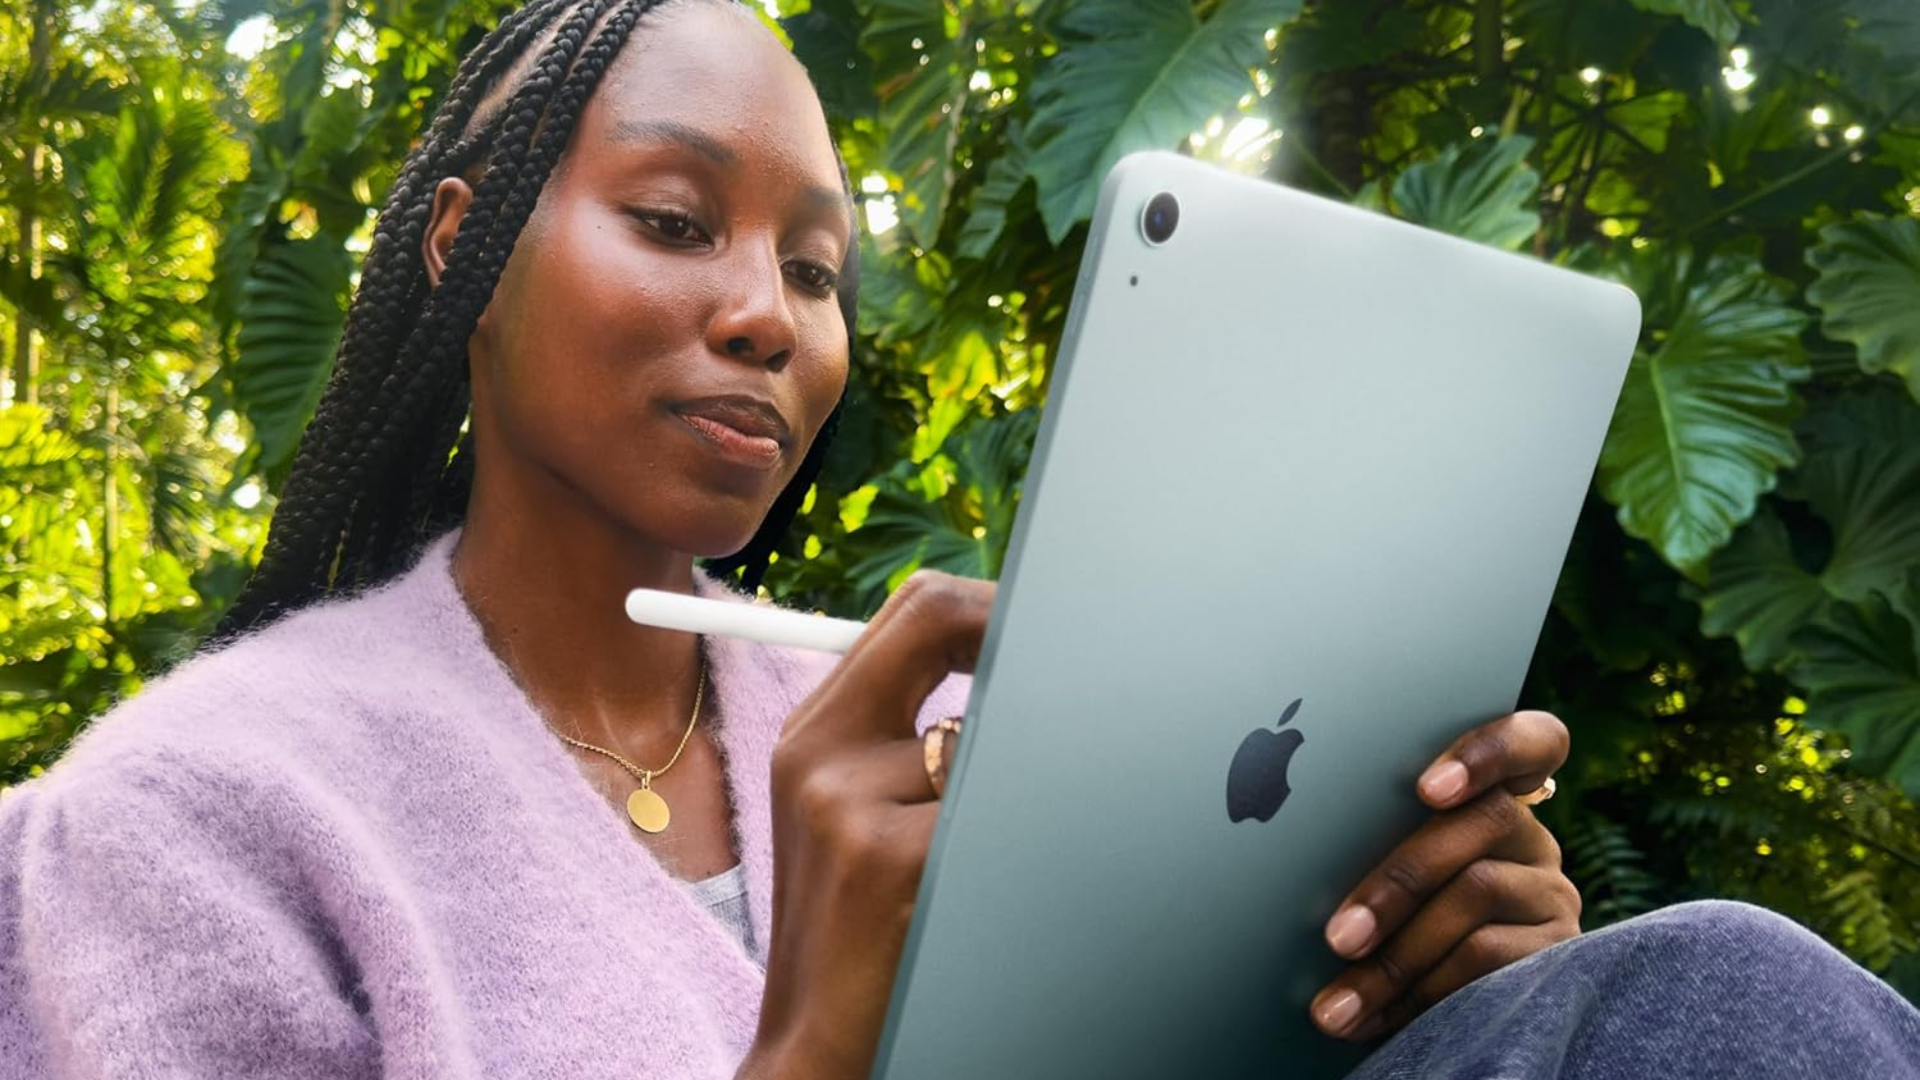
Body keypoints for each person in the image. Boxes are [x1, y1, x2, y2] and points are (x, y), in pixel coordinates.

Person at [0, 0, 1915, 1076]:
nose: (772, 314)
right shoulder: (193, 816)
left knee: (1691, 999)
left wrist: (1454, 1004)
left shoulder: (918, 731)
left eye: (820, 269)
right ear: (460, 245)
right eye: (677, 220)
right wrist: (817, 1047)